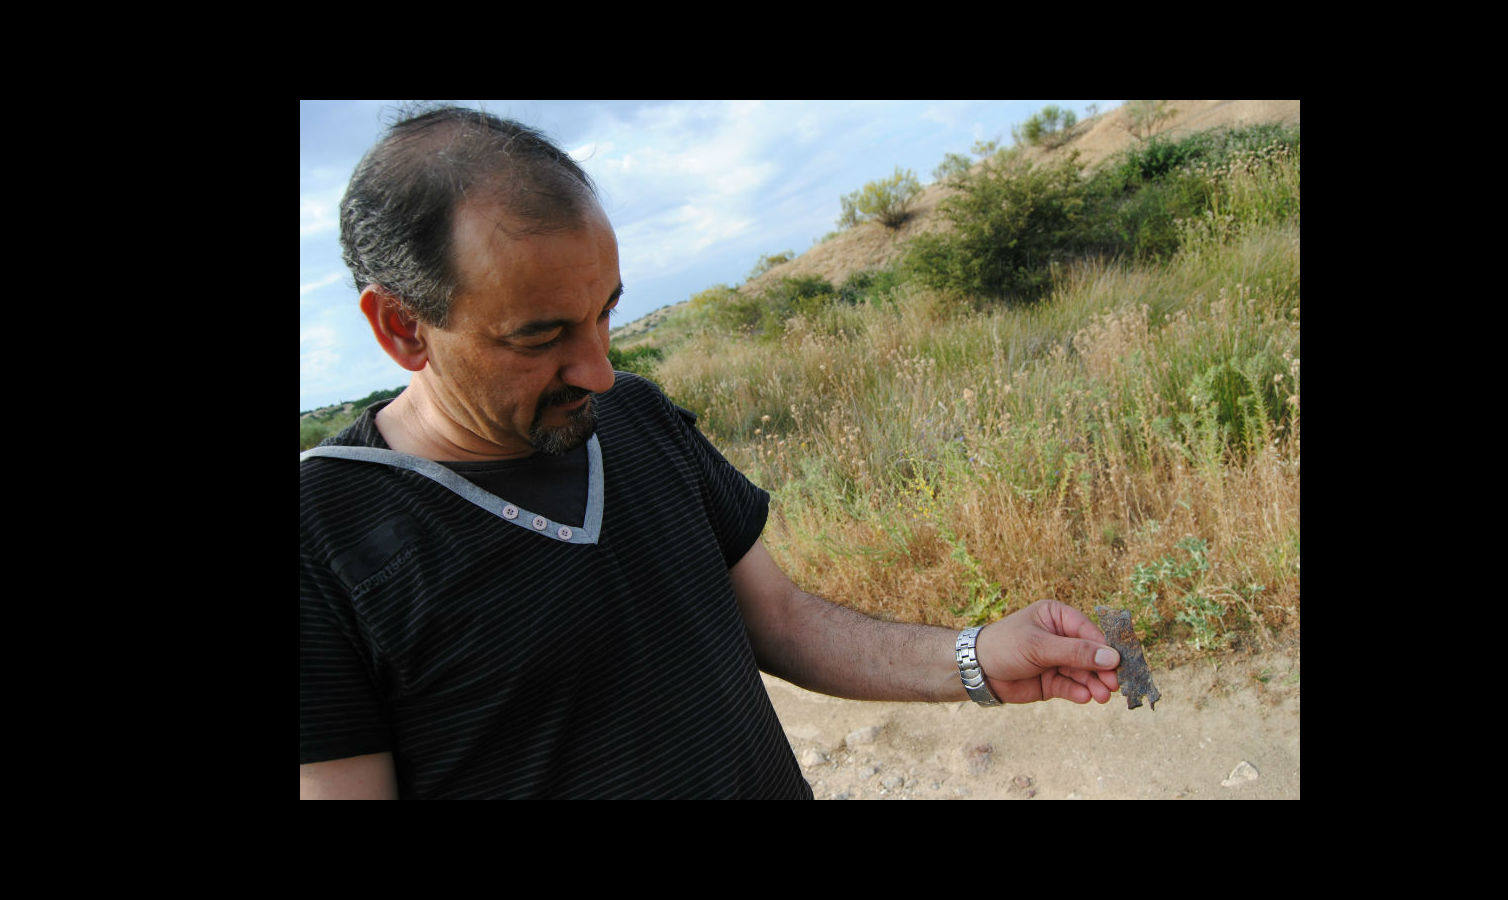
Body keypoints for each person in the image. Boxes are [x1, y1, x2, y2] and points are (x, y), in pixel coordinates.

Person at [299, 104, 1122, 800]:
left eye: (605, 313)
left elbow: (785, 623)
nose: (599, 369)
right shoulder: (321, 539)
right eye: (541, 335)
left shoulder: (637, 418)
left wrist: (979, 658)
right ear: (402, 327)